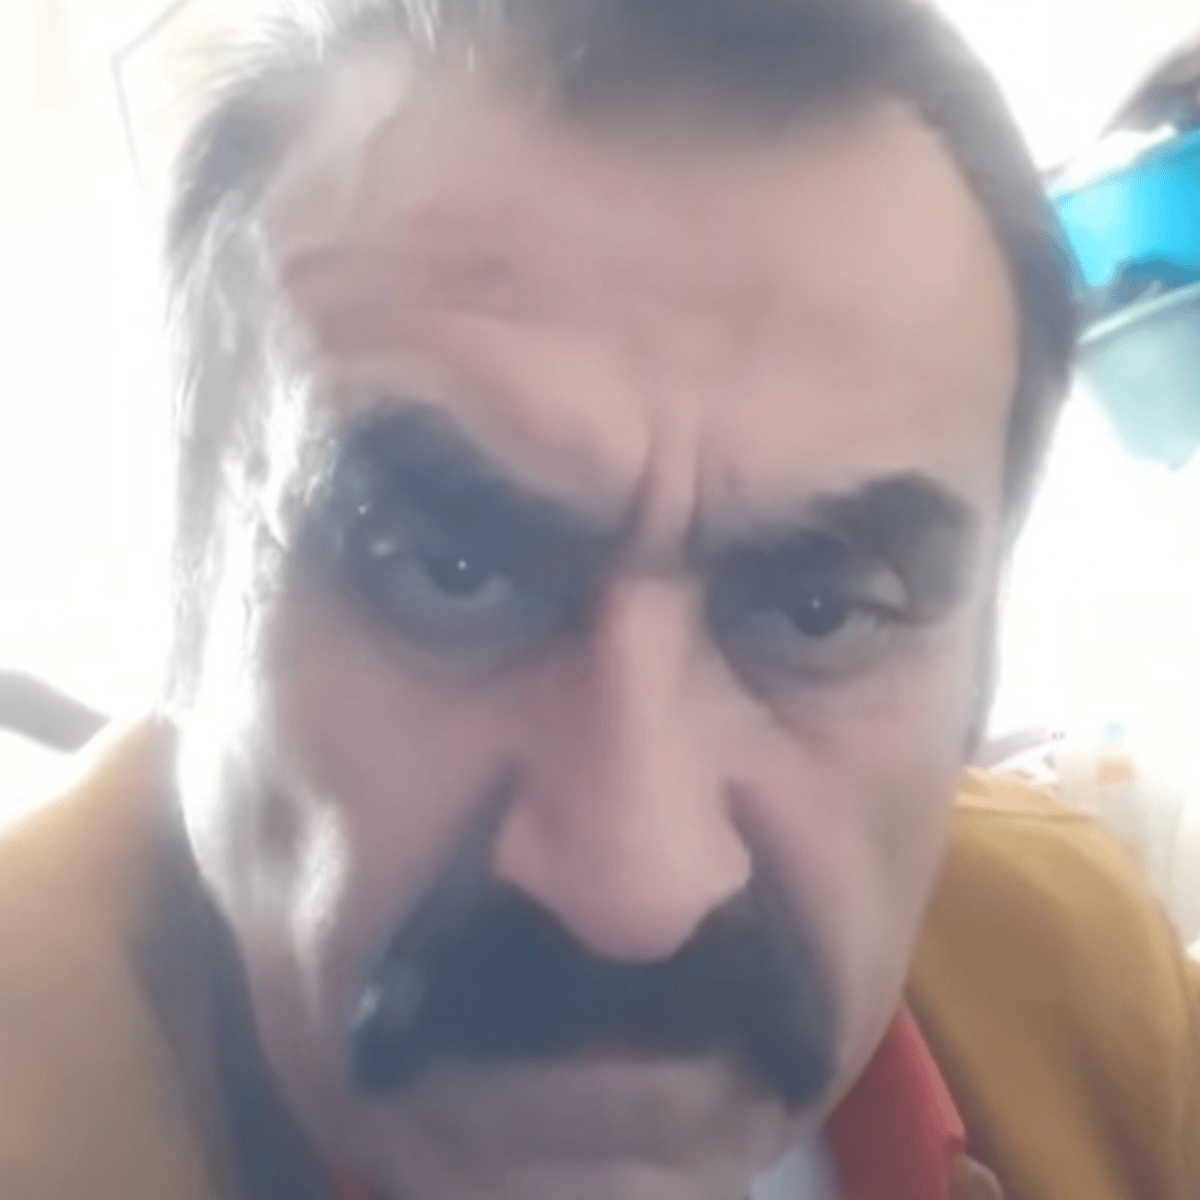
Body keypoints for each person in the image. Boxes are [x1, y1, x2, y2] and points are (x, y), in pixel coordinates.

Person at [1, 1, 1197, 1198]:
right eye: (449, 573)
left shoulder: (1097, 1002)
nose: (637, 892)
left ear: (978, 672)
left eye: (821, 611)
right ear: (186, 607)